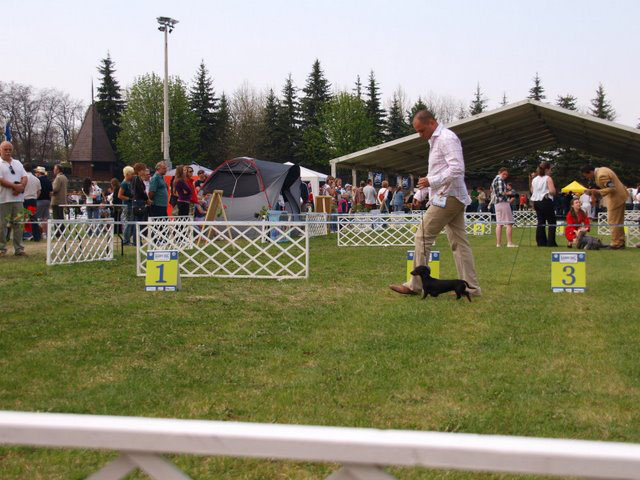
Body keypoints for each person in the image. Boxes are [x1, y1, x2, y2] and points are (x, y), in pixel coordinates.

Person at [389, 110, 481, 297]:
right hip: (452, 196)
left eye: (421, 130)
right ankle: (471, 288)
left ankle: (415, 286)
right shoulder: (435, 140)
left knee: (422, 237)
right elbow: (437, 172)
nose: (420, 135)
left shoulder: (447, 138)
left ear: (432, 123)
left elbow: (457, 168)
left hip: (448, 197)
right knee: (459, 243)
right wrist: (421, 192)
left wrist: (431, 181)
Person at [581, 165, 627, 249]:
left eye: (586, 175)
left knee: (613, 221)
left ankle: (616, 243)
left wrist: (597, 192)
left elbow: (612, 188)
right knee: (618, 221)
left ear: (590, 172)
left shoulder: (601, 176)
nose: (587, 178)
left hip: (616, 199)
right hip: (620, 196)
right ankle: (620, 241)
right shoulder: (602, 169)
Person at [0, 141, 27, 256]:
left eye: (10, 149)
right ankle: (1, 249)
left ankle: (19, 249)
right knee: (2, 225)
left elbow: (24, 177)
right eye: (5, 149)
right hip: (3, 200)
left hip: (18, 200)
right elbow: (1, 180)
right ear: (0, 150)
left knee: (19, 225)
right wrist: (15, 186)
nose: (8, 152)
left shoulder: (18, 163)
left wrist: (21, 187)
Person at [530, 161, 558, 247]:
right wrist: (553, 191)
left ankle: (541, 242)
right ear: (547, 169)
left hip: (536, 202)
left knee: (541, 221)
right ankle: (551, 242)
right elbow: (552, 191)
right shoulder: (548, 178)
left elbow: (532, 190)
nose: (551, 171)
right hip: (545, 200)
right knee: (552, 222)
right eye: (550, 169)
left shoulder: (534, 179)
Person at [491, 167, 517, 248]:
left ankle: (498, 244)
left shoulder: (495, 179)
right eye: (504, 174)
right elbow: (500, 193)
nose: (505, 176)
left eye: (506, 174)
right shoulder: (500, 180)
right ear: (500, 172)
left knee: (499, 224)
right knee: (509, 223)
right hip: (502, 202)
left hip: (497, 203)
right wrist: (510, 193)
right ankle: (510, 243)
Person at [22, 164, 41, 241]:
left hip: (24, 200)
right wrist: (35, 197)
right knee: (33, 218)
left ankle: (21, 236)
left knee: (22, 218)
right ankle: (37, 236)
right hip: (33, 200)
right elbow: (39, 191)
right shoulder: (36, 179)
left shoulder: (23, 178)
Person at [118, 166, 135, 245]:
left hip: (130, 205)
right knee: (127, 223)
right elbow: (119, 195)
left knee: (130, 222)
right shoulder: (124, 183)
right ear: (127, 174)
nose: (133, 175)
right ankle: (126, 240)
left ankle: (127, 239)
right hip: (126, 205)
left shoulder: (129, 183)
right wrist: (129, 198)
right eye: (131, 174)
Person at [35, 166, 52, 238]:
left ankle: (37, 232)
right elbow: (51, 192)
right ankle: (45, 233)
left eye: (36, 172)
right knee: (45, 217)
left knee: (35, 217)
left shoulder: (37, 180)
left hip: (39, 200)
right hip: (47, 200)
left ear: (39, 173)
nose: (35, 173)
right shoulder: (48, 180)